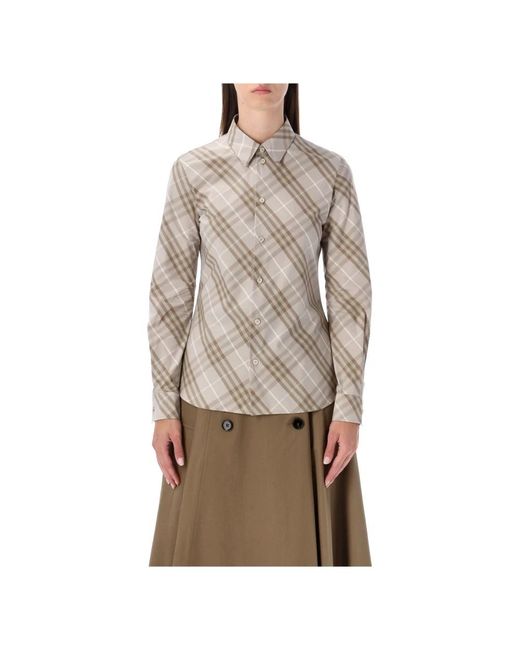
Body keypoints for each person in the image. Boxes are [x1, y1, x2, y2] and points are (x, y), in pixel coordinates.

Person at [147, 83, 372, 566]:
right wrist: (163, 405)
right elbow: (170, 295)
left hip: (306, 405)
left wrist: (350, 407)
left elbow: (351, 296)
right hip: (210, 401)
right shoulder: (193, 170)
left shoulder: (329, 172)